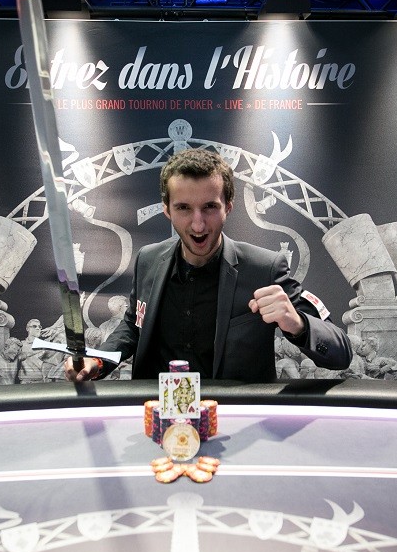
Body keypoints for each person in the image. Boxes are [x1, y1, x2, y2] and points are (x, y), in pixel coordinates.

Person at [64, 147, 352, 383]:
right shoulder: (148, 260)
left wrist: (298, 325)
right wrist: (97, 359)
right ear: (167, 209)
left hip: (234, 423)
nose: (198, 225)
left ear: (228, 207)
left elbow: (341, 353)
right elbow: (133, 325)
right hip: (159, 418)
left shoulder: (265, 268)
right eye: (183, 208)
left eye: (210, 207)